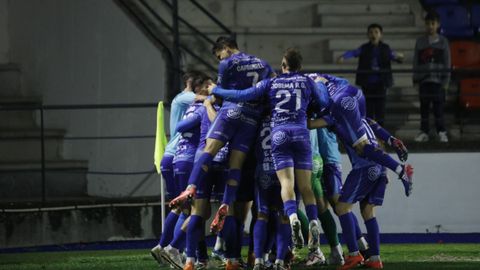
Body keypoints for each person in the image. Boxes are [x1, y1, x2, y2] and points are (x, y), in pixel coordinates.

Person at [209, 48, 325, 257]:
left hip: (279, 134)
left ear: (283, 65)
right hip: (301, 133)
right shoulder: (307, 82)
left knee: (287, 184)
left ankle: (292, 219)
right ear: (300, 66)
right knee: (306, 186)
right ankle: (314, 222)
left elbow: (242, 95)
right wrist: (320, 85)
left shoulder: (271, 82)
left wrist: (217, 90)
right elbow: (323, 103)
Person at [306, 73, 411, 269]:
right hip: (379, 168)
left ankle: (354, 255)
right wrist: (394, 142)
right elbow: (379, 130)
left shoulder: (336, 115)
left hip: (366, 167)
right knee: (368, 212)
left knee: (342, 208)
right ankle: (375, 259)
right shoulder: (363, 118)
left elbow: (310, 124)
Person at [151, 71, 206, 266]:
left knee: (182, 207)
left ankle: (164, 246)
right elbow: (207, 98)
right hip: (180, 154)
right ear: (194, 85)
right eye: (204, 86)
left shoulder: (179, 100)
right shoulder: (187, 98)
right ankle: (175, 249)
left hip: (172, 155)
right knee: (192, 209)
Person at [337, 23, 404, 126]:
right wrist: (343, 57)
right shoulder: (364, 48)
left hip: (381, 84)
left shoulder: (385, 48)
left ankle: (381, 135)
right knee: (368, 110)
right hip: (367, 84)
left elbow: (394, 55)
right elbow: (354, 52)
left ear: (381, 34)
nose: (373, 34)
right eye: (371, 32)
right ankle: (370, 135)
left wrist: (399, 57)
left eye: (376, 32)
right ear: (368, 35)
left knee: (380, 110)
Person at [413, 10, 451, 143]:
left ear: (438, 25)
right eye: (428, 23)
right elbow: (416, 61)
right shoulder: (420, 41)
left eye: (433, 23)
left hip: (438, 82)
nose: (430, 26)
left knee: (438, 108)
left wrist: (445, 82)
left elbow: (447, 62)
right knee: (424, 108)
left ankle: (441, 131)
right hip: (424, 81)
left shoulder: (443, 42)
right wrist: (416, 80)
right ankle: (424, 132)